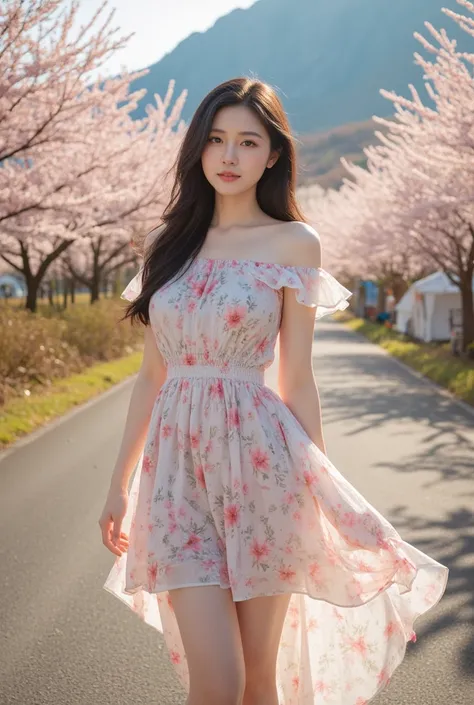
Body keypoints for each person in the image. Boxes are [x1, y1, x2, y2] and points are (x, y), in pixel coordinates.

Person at [99, 77, 448, 705]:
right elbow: (152, 375)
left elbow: (297, 377)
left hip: (265, 472)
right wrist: (118, 487)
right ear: (197, 149)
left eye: (247, 142)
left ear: (273, 154)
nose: (228, 157)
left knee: (259, 679)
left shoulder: (295, 244)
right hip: (177, 475)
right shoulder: (166, 247)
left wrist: (317, 486)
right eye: (215, 139)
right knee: (218, 679)